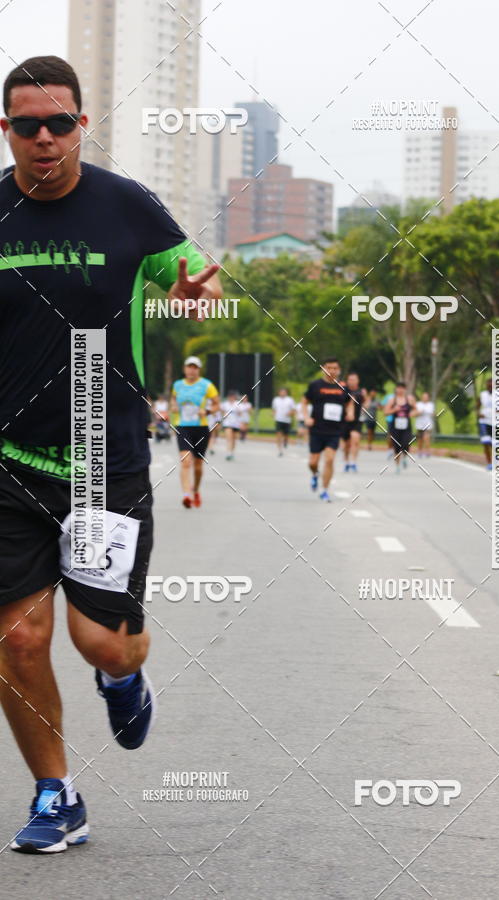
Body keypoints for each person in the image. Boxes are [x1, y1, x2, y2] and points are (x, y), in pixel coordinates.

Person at [0, 56, 222, 853]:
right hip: (9, 459)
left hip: (105, 455)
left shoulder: (127, 205)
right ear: (8, 130)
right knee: (18, 639)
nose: (46, 138)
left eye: (61, 122)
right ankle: (56, 794)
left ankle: (122, 672)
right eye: (29, 125)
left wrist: (193, 293)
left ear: (83, 124)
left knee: (99, 639)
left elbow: (180, 275)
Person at [171, 356, 219, 508]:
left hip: (201, 428)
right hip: (183, 426)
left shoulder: (207, 385)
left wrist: (207, 411)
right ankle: (186, 495)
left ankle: (195, 490)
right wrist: (173, 406)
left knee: (198, 466)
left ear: (199, 369)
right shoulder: (178, 385)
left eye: (195, 367)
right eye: (189, 367)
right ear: (184, 369)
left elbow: (217, 404)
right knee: (185, 461)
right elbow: (173, 399)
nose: (191, 370)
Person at [302, 358, 353, 502]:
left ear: (339, 370)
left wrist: (350, 412)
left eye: (335, 368)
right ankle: (315, 474)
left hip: (334, 431)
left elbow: (350, 403)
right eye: (329, 368)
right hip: (317, 430)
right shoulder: (315, 385)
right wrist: (306, 418)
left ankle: (324, 490)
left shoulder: (343, 387)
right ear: (323, 369)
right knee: (313, 462)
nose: (332, 371)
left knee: (329, 460)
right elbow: (304, 402)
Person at [383, 383, 417, 472]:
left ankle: (405, 458)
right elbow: (385, 412)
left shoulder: (409, 399)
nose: (400, 390)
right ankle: (397, 465)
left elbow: (416, 410)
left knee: (406, 442)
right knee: (396, 445)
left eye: (402, 388)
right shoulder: (392, 400)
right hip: (395, 425)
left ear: (405, 389)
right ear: (396, 389)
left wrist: (412, 414)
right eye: (399, 388)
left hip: (406, 425)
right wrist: (394, 410)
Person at [341, 372, 367, 472]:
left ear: (358, 380)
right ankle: (346, 461)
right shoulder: (343, 391)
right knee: (346, 444)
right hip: (344, 420)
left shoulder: (361, 391)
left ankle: (353, 462)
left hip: (357, 420)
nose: (351, 381)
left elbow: (366, 404)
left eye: (353, 379)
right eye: (350, 379)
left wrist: (365, 397)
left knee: (355, 440)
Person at [272, 387, 296, 456]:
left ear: (286, 393)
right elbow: (274, 409)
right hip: (278, 419)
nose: (282, 393)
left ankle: (285, 441)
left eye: (284, 392)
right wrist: (273, 414)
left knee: (286, 434)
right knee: (278, 434)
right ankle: (280, 450)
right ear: (279, 393)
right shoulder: (276, 400)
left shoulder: (290, 400)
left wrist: (290, 413)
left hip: (287, 420)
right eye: (281, 392)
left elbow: (294, 410)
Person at [477, 378, 494, 470]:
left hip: (495, 422)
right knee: (486, 442)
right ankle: (489, 463)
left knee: (494, 443)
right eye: (488, 384)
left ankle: (496, 460)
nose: (490, 386)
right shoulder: (482, 395)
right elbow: (477, 407)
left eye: (492, 384)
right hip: (484, 421)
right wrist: (479, 413)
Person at [221, 390, 243, 460]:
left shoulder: (238, 404)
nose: (231, 398)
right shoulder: (225, 404)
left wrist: (238, 411)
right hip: (227, 423)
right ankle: (228, 453)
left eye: (233, 396)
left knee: (233, 439)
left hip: (235, 424)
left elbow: (240, 414)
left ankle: (232, 452)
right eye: (230, 397)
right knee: (229, 438)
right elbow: (222, 412)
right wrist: (224, 416)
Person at [415, 391, 435, 457]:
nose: (425, 398)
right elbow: (415, 413)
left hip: (428, 424)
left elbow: (433, 413)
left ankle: (428, 451)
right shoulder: (418, 404)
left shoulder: (431, 405)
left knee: (426, 437)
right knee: (420, 439)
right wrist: (419, 412)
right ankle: (420, 451)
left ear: (428, 398)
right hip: (420, 424)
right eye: (423, 397)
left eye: (426, 397)